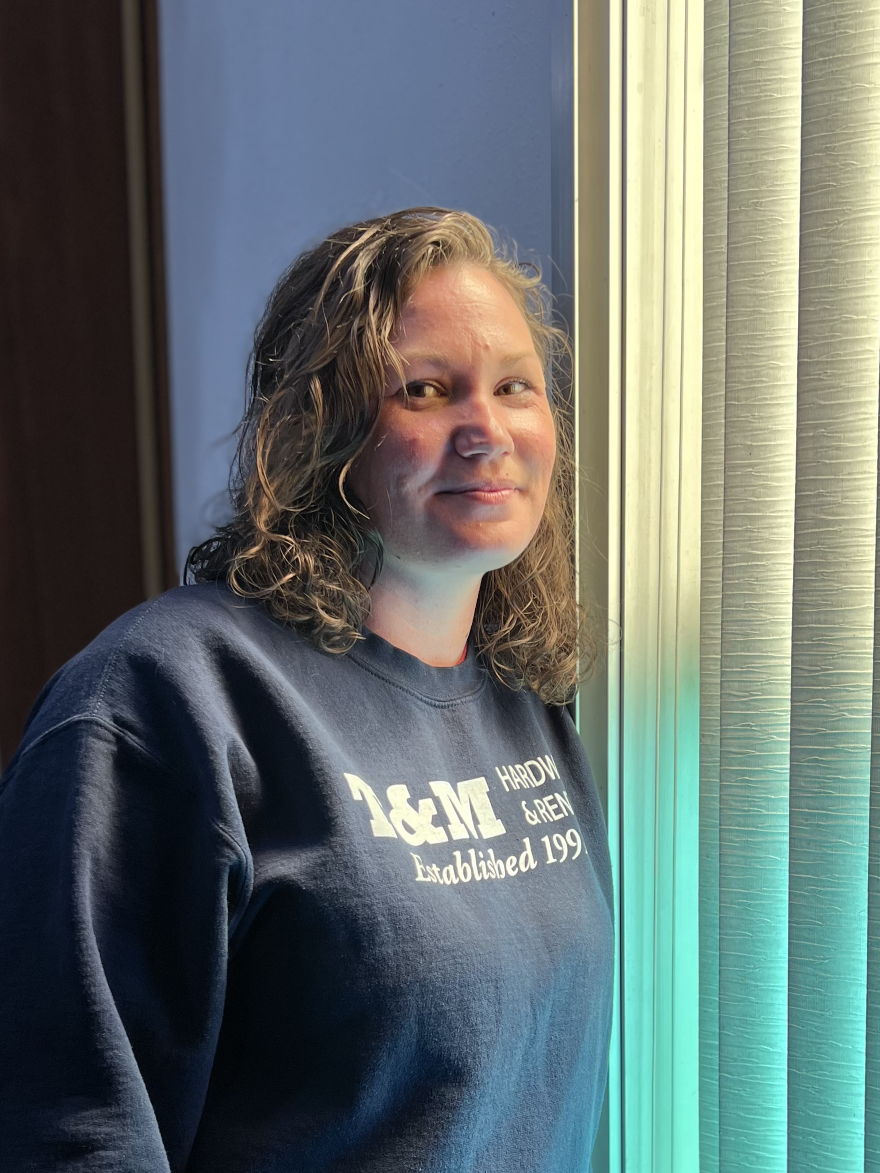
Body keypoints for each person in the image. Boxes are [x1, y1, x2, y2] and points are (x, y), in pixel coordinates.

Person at [0, 207, 613, 1172]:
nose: (486, 430)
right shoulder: (162, 703)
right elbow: (66, 1127)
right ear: (320, 429)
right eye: (425, 389)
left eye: (514, 387)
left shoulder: (522, 703)